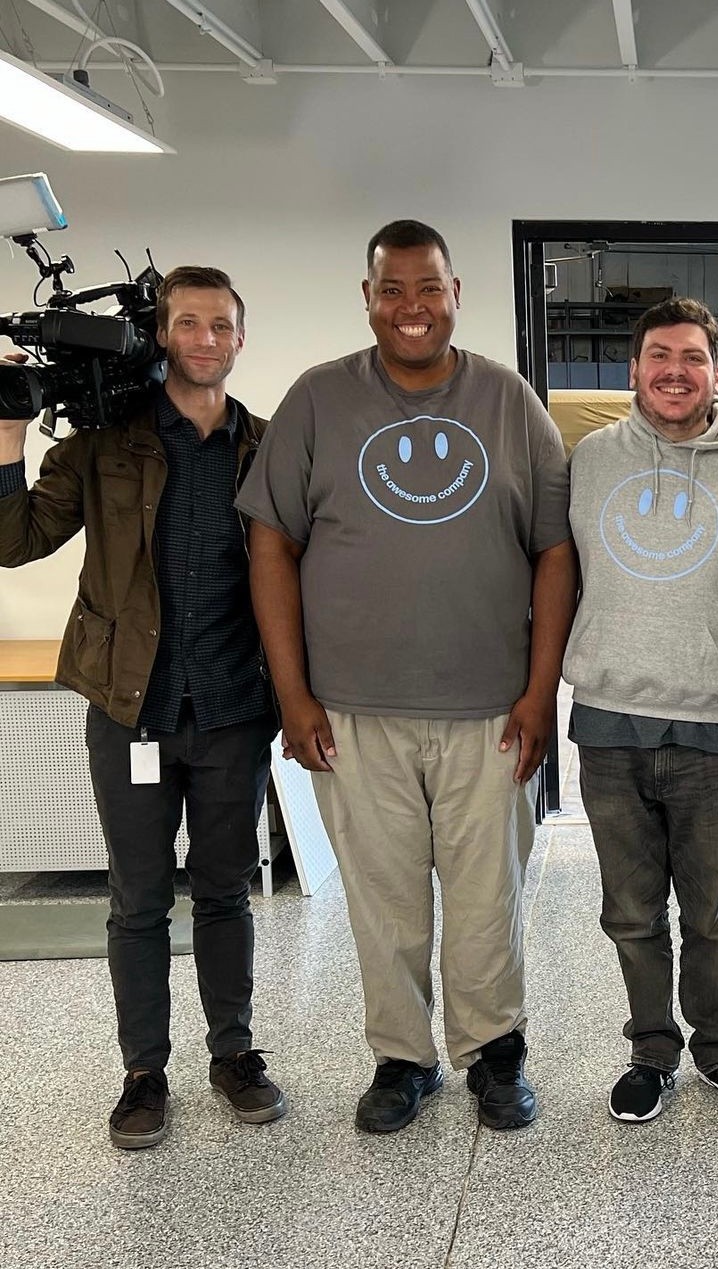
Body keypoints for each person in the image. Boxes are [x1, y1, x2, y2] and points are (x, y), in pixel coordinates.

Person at [238, 220, 575, 1136]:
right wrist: (293, 694)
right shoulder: (318, 400)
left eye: (429, 288)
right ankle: (402, 1058)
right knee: (382, 901)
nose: (412, 307)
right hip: (353, 711)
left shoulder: (508, 402)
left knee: (487, 898)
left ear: (457, 293)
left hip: (489, 710)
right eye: (393, 289)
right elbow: (270, 545)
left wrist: (540, 692)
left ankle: (494, 1050)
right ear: (368, 297)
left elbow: (554, 550)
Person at [0, 266, 285, 1149]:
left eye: (221, 325)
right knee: (138, 900)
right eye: (188, 322)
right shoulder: (103, 444)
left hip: (234, 708)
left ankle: (233, 1053)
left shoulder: (266, 446)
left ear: (241, 339)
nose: (205, 339)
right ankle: (143, 1073)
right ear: (162, 334)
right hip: (131, 707)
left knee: (227, 890)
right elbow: (14, 540)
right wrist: (7, 431)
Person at [563, 297, 718, 1123]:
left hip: (710, 726)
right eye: (660, 355)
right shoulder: (589, 461)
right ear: (634, 369)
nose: (675, 371)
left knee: (713, 915)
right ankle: (651, 1051)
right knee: (630, 911)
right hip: (607, 722)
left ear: (717, 371)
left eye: (693, 356)